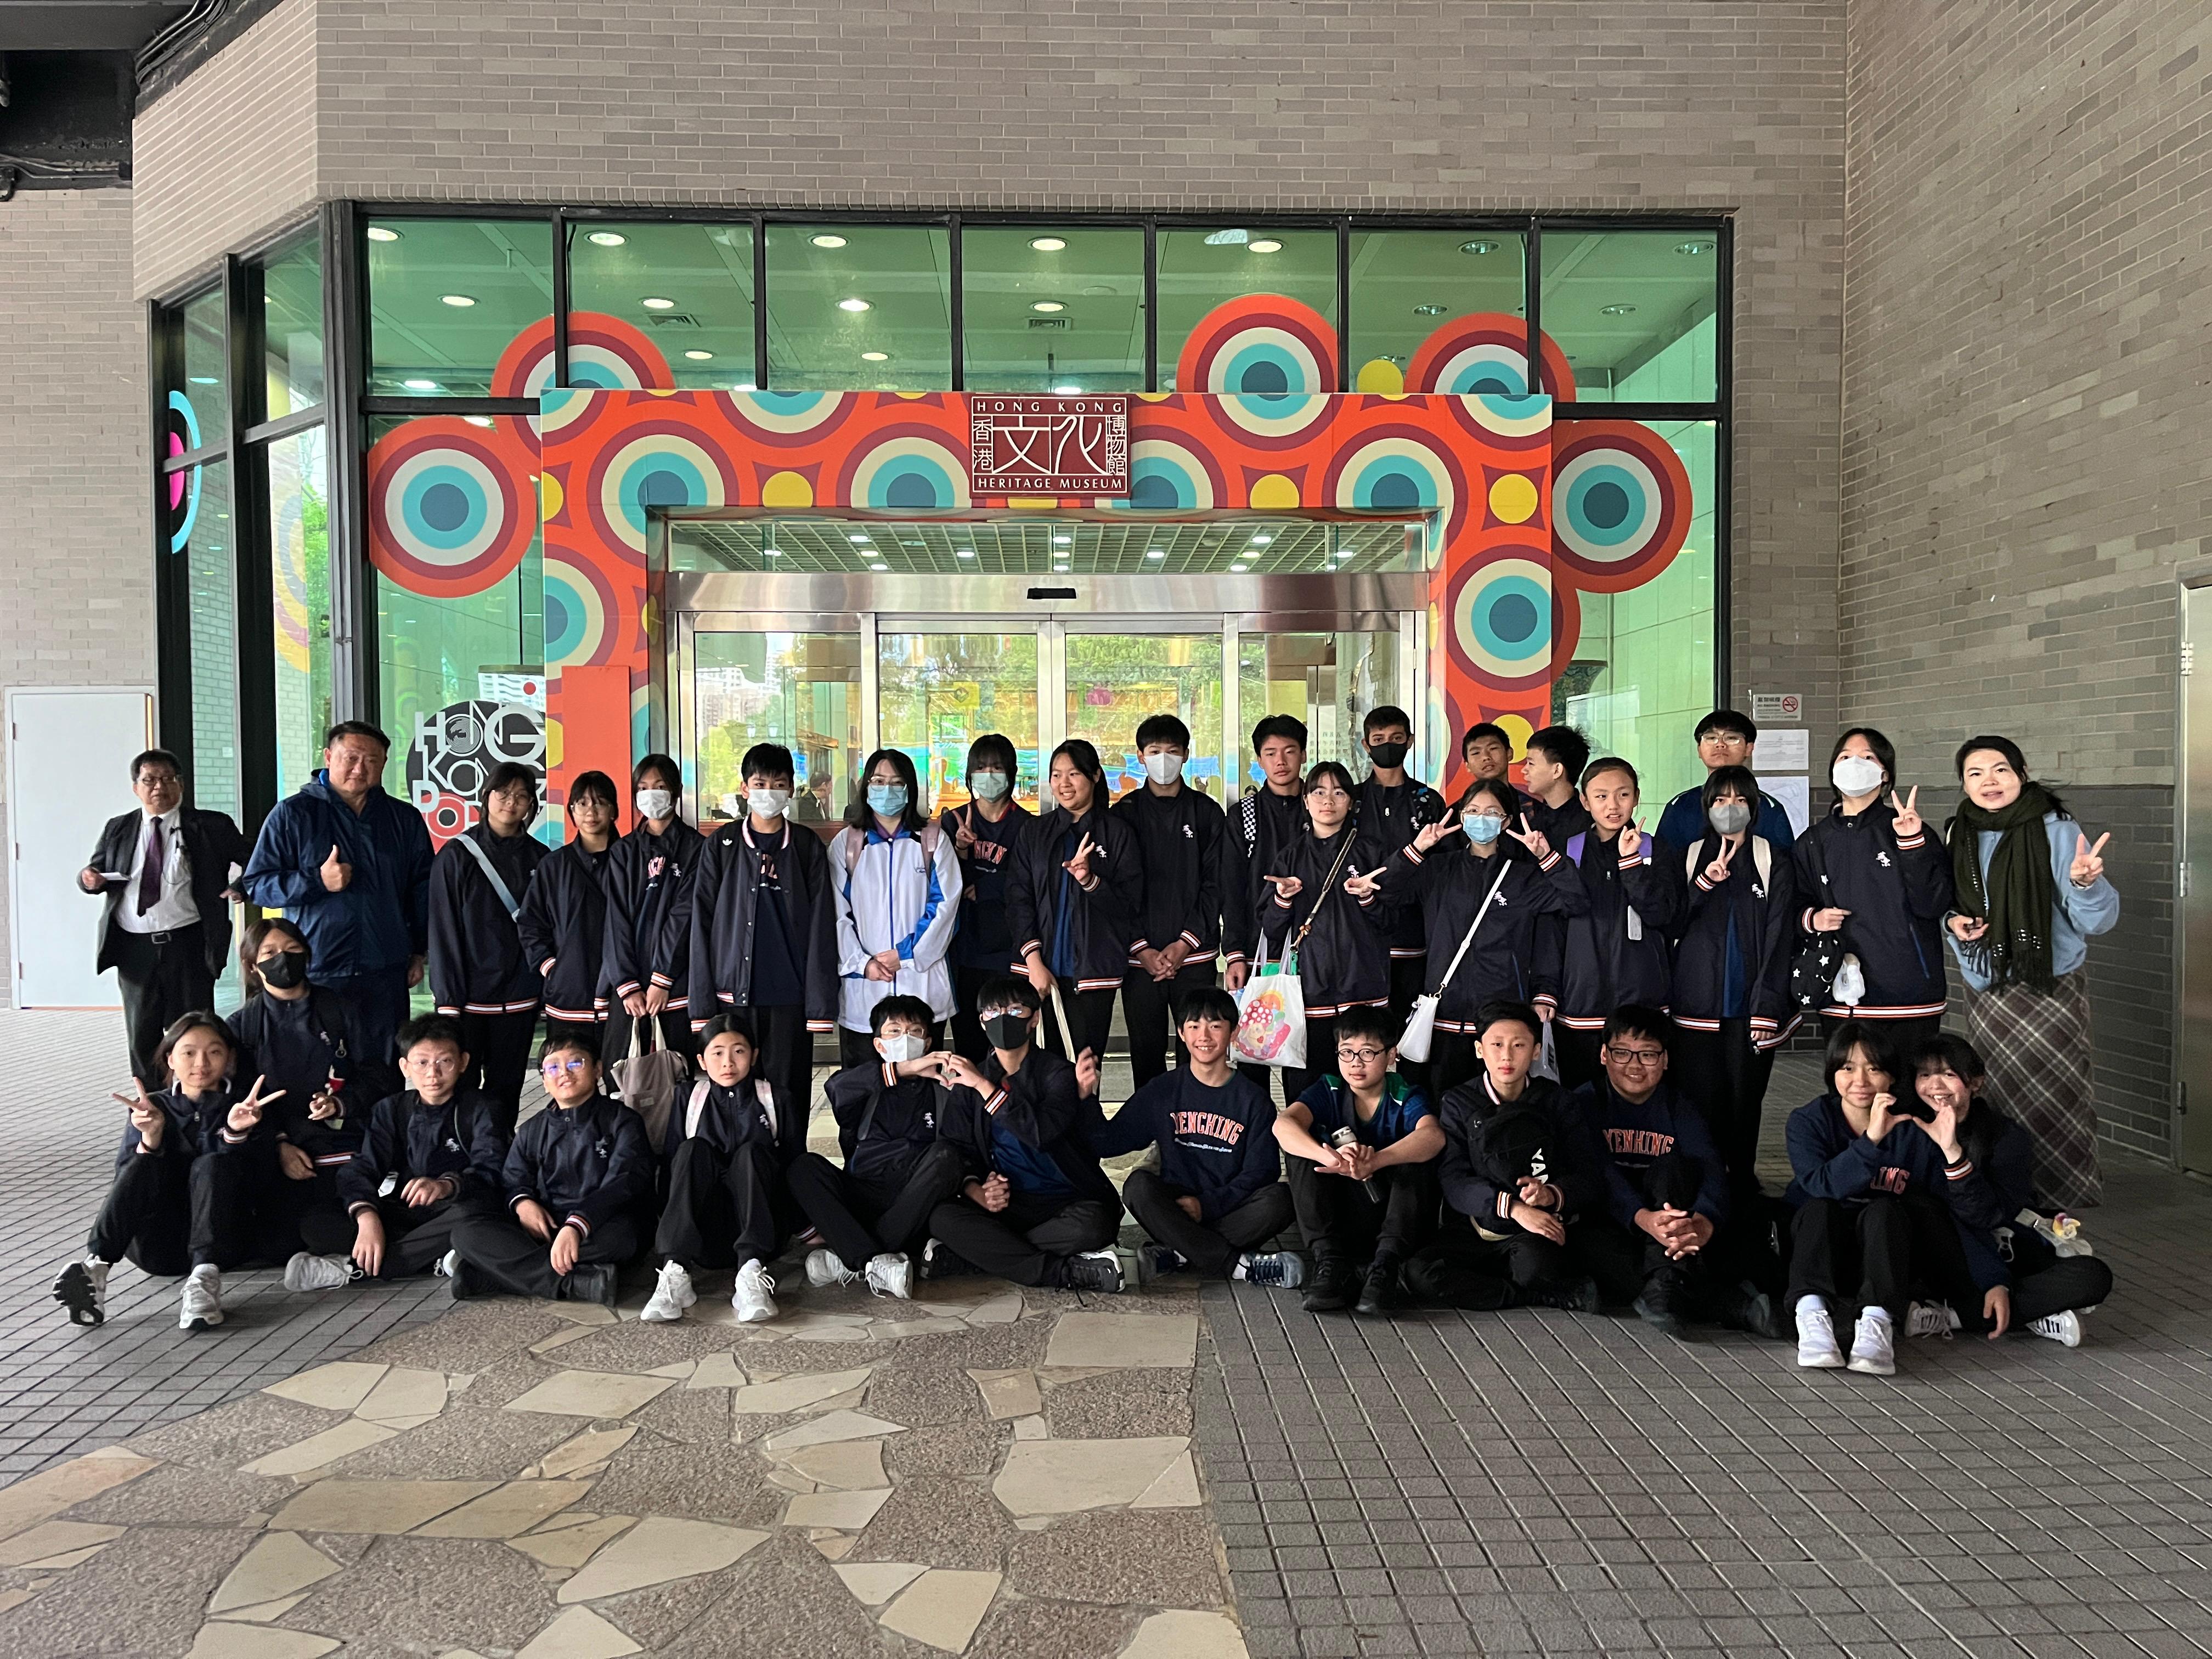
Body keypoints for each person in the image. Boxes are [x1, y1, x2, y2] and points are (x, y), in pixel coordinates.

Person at [1943, 736, 2120, 1209]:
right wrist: (1953, 923)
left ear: (2022, 774)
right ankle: (2006, 1192)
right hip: (1987, 988)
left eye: (2001, 769)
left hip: (2050, 986)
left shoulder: (2057, 829)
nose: (1989, 781)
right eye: (1976, 773)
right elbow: (1950, 906)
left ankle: (2059, 1202)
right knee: (1997, 1092)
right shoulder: (1959, 832)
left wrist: (2086, 884)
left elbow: (2097, 921)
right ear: (1964, 784)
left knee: (2058, 1094)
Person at [1346, 776, 1589, 1099]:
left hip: (1500, 1027)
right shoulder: (1438, 869)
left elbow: (1576, 902)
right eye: (1473, 811)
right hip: (1443, 1019)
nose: (1481, 818)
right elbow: (1386, 891)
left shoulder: (1523, 876)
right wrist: (1417, 849)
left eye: (1492, 812)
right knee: (1442, 1105)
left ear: (1506, 822)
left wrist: (1547, 856)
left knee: (1499, 1109)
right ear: (1461, 817)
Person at [54, 1012, 297, 1331]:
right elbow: (126, 1181)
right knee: (142, 1162)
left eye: (214, 1052)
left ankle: (203, 1287)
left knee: (212, 1164)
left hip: (225, 1245)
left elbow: (259, 1181)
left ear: (229, 1058)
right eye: (189, 1052)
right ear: (170, 1059)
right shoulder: (150, 1108)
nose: (201, 1063)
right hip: (160, 1248)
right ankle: (95, 1269)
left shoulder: (247, 1108)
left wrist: (235, 1133)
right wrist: (150, 1139)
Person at [1570, 1007, 1784, 1338]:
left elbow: (1711, 1168)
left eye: (1648, 1055)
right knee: (1586, 1246)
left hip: (1675, 1220)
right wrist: (1642, 1218)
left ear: (1666, 1060)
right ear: (1603, 1055)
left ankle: (1668, 1284)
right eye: (1622, 1053)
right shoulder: (1585, 1103)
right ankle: (1729, 1305)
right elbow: (1599, 1173)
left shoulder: (1679, 1105)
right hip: (1619, 1222)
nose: (1635, 1065)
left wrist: (1705, 1221)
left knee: (1673, 1169)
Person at [240, 723, 434, 1071]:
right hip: (318, 967)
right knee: (319, 1069)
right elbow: (258, 884)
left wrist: (419, 951)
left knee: (384, 1068)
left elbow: (422, 890)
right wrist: (316, 881)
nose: (360, 768)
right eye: (351, 758)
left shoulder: (403, 819)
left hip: (385, 969)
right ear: (329, 757)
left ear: (384, 764)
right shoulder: (293, 814)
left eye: (372, 761)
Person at [1783, 1020, 1967, 1376]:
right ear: (1832, 1073)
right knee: (1819, 1208)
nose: (1861, 1081)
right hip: (1820, 1257)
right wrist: (1870, 1142)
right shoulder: (1808, 1121)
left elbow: (1937, 1206)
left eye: (1874, 1069)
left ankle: (1877, 1322)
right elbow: (1821, 1185)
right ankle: (1811, 1316)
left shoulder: (1913, 1129)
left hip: (1886, 1263)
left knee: (1886, 1210)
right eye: (1847, 1068)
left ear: (1892, 1076)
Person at [1906, 1034, 2113, 1346]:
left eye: (1949, 1074)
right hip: (1949, 1258)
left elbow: (1988, 1216)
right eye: (1925, 1075)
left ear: (1976, 1082)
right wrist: (1995, 1281)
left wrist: (1954, 1154)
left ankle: (1958, 1317)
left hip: (2005, 1248)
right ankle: (2032, 1314)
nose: (1935, 1085)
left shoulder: (2005, 1137)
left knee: (2093, 1275)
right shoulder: (1911, 1132)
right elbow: (1943, 1215)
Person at [1401, 1001, 1605, 1314]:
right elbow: (1454, 1179)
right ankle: (1535, 1297)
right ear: (1479, 1050)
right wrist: (1513, 1207)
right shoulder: (1458, 1102)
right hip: (1478, 1224)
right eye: (1497, 1045)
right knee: (1420, 1273)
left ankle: (1516, 1284)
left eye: (1518, 1045)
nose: (1507, 1056)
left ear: (1536, 1051)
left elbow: (1588, 1174)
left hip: (1533, 1228)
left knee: (1537, 1268)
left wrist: (1551, 1195)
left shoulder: (1558, 1101)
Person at [925, 974, 1125, 1293]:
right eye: (993, 1012)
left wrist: (985, 1088)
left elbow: (1041, 1133)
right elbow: (955, 1147)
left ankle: (983, 1256)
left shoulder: (1058, 1074)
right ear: (982, 1022)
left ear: (1035, 1019)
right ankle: (1060, 1272)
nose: (1003, 1019)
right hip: (1006, 1204)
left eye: (1016, 1011)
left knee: (1094, 1226)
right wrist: (978, 1190)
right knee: (941, 1217)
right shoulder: (969, 1081)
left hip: (1062, 1201)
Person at [1088, 986, 1300, 1285]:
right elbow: (1111, 1141)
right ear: (1181, 1033)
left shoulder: (1254, 1100)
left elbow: (1262, 1172)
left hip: (1230, 1208)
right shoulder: (1163, 1091)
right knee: (1137, 1187)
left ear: (1234, 1032)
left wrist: (1208, 1205)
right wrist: (1085, 1098)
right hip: (1175, 1210)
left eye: (1215, 1026)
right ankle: (1238, 1266)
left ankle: (1180, 1253)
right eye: (1194, 1026)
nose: (1204, 1036)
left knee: (1281, 1201)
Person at [228, 916, 392, 1290]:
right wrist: (279, 1143)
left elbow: (377, 1075)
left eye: (292, 950)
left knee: (340, 1222)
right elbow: (237, 1102)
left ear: (307, 955)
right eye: (270, 953)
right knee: (277, 1244)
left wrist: (341, 1104)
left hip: (343, 1150)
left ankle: (356, 1258)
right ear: (252, 966)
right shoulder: (243, 1027)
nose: (283, 959)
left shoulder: (340, 1010)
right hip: (285, 1157)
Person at [1666, 764, 1801, 1202]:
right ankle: (1704, 1183)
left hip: (1750, 1009)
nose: (1730, 808)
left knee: (1745, 1102)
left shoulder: (1772, 860)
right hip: (1695, 1007)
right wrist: (1705, 882)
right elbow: (1670, 922)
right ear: (1707, 806)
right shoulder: (1688, 856)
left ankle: (1742, 1185)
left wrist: (1767, 1005)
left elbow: (1780, 936)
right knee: (1698, 1101)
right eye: (1721, 800)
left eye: (1740, 800)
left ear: (1754, 807)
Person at [81, 748, 252, 1086]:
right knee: (141, 1035)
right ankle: (150, 1107)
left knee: (193, 1032)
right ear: (136, 788)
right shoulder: (118, 828)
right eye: (150, 780)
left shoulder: (211, 826)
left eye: (167, 779)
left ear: (181, 785)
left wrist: (241, 887)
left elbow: (255, 857)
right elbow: (95, 870)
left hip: (188, 944)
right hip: (134, 949)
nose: (159, 787)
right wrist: (88, 880)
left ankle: (197, 1101)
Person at [687, 743, 839, 1109]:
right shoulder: (721, 845)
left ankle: (789, 1150)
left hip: (790, 995)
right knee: (737, 1094)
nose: (769, 792)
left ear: (791, 790)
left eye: (778, 784)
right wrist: (702, 1002)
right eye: (760, 784)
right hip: (734, 996)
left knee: (789, 1096)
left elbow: (822, 925)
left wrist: (819, 1004)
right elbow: (701, 923)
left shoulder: (806, 845)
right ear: (745, 789)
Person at [449, 1032, 652, 1305]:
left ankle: (493, 1276)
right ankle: (576, 1283)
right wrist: (523, 1204)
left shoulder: (623, 1121)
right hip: (545, 1229)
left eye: (576, 1063)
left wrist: (578, 1225)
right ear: (544, 1081)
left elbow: (624, 1182)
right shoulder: (531, 1130)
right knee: (465, 1233)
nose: (564, 1073)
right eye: (553, 1067)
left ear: (598, 1070)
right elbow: (513, 1180)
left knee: (623, 1238)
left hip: (600, 1224)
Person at [788, 994, 968, 1299]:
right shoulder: (865, 1085)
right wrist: (900, 1070)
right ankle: (875, 1260)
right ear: (879, 1045)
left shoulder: (943, 1091)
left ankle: (854, 1258)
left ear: (928, 1043)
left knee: (947, 1157)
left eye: (915, 1031)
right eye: (894, 1031)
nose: (905, 1038)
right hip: (863, 1191)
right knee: (803, 1168)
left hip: (912, 1200)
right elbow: (835, 1088)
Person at [1273, 1007, 1443, 1316]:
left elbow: (1433, 1136)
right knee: (1302, 1153)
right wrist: (1332, 1158)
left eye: (1368, 1052)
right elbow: (1283, 1125)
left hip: (1393, 1222)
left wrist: (1376, 1161)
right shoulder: (1329, 1088)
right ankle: (1330, 1263)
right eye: (1347, 1052)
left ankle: (1385, 1269)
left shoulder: (1405, 1095)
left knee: (1417, 1157)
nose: (1356, 1063)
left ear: (1391, 1055)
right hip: (1340, 1218)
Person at [641, 1016, 808, 1324]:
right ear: (702, 1061)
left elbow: (795, 1168)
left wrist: (805, 1228)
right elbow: (672, 1171)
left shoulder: (776, 1099)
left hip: (763, 1235)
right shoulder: (689, 1099)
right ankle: (675, 1271)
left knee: (751, 1154)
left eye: (738, 1051)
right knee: (691, 1150)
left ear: (754, 1056)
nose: (728, 1063)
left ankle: (750, 1276)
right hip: (703, 1238)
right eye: (717, 1053)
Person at [1794, 727, 1954, 1045]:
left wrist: (1912, 844)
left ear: (1885, 774)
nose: (1854, 764)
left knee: (1907, 1076)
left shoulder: (1909, 830)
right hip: (1838, 991)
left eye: (1867, 758)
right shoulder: (1813, 841)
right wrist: (1812, 919)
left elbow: (1933, 904)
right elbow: (1791, 905)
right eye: (1845, 757)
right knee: (1848, 1077)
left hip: (1907, 994)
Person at [427, 761, 550, 1139]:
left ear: (531, 804)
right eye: (504, 793)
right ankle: (461, 1152)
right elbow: (443, 931)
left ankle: (498, 1154)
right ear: (487, 796)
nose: (511, 802)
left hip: (520, 997)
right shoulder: (456, 856)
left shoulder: (541, 858)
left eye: (522, 796)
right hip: (469, 1000)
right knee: (460, 1086)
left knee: (508, 1087)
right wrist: (448, 1001)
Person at [1259, 761, 1392, 1104]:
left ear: (1351, 802)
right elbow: (1271, 928)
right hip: (1307, 997)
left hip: (1362, 992)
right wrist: (1283, 899)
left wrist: (1368, 899)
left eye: (1338, 792)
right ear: (1305, 801)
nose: (1328, 800)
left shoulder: (1372, 853)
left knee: (1363, 1093)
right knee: (1306, 1095)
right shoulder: (1290, 857)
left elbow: (1392, 923)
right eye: (1318, 792)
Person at [337, 1014, 506, 1283]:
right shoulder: (391, 1110)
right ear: (405, 1067)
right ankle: (439, 1257)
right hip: (409, 1211)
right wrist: (367, 1217)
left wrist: (445, 1186)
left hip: (458, 1207)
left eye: (445, 1062)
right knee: (320, 1224)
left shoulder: (482, 1108)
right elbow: (363, 1168)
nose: (432, 1074)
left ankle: (355, 1270)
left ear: (463, 1062)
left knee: (475, 1215)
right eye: (422, 1063)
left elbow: (492, 1170)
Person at [1005, 739, 1144, 1065]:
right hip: (1037, 973)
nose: (1064, 783)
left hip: (1094, 976)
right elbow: (1018, 899)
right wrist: (1034, 962)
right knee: (1036, 1068)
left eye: (1074, 774)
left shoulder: (1117, 833)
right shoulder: (1034, 832)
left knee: (1086, 1069)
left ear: (1095, 776)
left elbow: (1128, 906)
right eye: (1056, 775)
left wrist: (1090, 882)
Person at [1545, 757, 1680, 1091]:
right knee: (1581, 1095)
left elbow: (1664, 916)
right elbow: (1552, 931)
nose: (1613, 806)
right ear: (1585, 801)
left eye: (1623, 795)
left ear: (1637, 797)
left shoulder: (1656, 850)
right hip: (1581, 1001)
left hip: (1643, 997)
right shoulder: (1569, 851)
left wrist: (1631, 864)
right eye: (1601, 796)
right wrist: (1547, 991)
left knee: (1642, 1091)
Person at [830, 748, 964, 1068]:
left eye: (896, 782)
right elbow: (837, 914)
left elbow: (945, 907)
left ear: (909, 789)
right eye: (878, 781)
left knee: (925, 1079)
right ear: (866, 786)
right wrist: (862, 963)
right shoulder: (848, 844)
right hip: (866, 987)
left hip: (921, 984)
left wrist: (904, 955)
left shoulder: (932, 840)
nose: (886, 789)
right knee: (864, 1082)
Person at [1111, 714, 1226, 1088]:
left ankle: (1195, 1122)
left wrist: (1184, 944)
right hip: (1139, 959)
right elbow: (1116, 892)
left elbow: (1216, 885)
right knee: (1146, 1051)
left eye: (1172, 751)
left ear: (1186, 755)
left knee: (1199, 1050)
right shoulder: (1123, 815)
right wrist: (1142, 948)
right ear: (1140, 757)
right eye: (1155, 751)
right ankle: (1155, 1123)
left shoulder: (1207, 813)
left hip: (1194, 957)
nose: (1164, 759)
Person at [1353, 706, 1450, 1045]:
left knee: (1411, 1037)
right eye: (1379, 739)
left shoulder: (1428, 802)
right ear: (1366, 745)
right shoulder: (1352, 800)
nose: (1387, 746)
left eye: (1396, 739)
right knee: (1364, 1038)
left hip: (1415, 934)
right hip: (1361, 934)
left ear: (1409, 741)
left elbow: (1443, 869)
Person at [602, 753, 703, 1065]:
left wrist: (662, 978)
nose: (651, 794)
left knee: (676, 1073)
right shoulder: (623, 851)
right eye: (643, 788)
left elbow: (685, 915)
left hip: (678, 983)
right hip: (629, 988)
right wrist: (627, 984)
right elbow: (616, 919)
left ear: (676, 791)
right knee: (621, 1074)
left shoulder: (698, 848)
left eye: (660, 787)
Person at [944, 734, 1034, 1063]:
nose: (989, 775)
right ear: (970, 774)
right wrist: (960, 849)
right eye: (981, 768)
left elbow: (1031, 884)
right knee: (968, 1041)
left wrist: (989, 888)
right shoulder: (952, 822)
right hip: (964, 950)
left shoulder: (1027, 827)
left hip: (1009, 952)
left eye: (997, 767)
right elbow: (941, 886)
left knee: (1010, 1044)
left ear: (1011, 773)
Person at [517, 769, 620, 1049]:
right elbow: (531, 922)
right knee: (569, 1069)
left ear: (614, 810)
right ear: (571, 811)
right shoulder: (554, 865)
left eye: (600, 803)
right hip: (569, 996)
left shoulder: (631, 860)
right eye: (582, 803)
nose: (591, 812)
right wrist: (553, 968)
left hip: (622, 996)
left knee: (621, 1073)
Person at [1222, 714, 1309, 993]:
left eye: (1289, 752)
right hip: (1257, 949)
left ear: (1303, 755)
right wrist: (1234, 953)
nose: (1280, 761)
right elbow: (1232, 887)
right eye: (1270, 754)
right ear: (1260, 760)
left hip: (1317, 949)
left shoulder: (1321, 809)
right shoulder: (1244, 815)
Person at [1655, 710, 1798, 853]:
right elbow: (1663, 861)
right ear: (1699, 749)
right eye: (1711, 738)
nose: (1720, 744)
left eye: (1731, 738)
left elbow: (1784, 861)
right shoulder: (1681, 805)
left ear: (1749, 748)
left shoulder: (1768, 807)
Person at [1521, 725, 1593, 844]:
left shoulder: (1587, 824)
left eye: (1531, 763)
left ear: (1557, 770)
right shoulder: (1532, 816)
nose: (1524, 770)